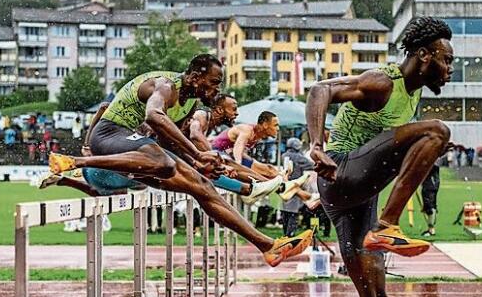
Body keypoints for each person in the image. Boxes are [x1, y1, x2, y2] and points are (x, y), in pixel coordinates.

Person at [305, 16, 454, 297]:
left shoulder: (412, 95)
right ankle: (388, 226)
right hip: (341, 174)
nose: (449, 69)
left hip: (356, 198)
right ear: (423, 55)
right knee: (436, 132)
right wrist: (315, 145)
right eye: (446, 60)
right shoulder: (383, 83)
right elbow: (321, 89)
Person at [48, 54, 312, 267]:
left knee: (202, 186)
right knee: (165, 164)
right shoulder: (166, 86)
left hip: (139, 149)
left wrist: (199, 164)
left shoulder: (191, 105)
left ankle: (267, 246)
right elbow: (154, 116)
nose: (216, 89)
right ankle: (77, 162)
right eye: (213, 82)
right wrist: (197, 154)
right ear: (195, 77)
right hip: (108, 135)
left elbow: (168, 142)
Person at [186, 94, 283, 203]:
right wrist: (214, 157)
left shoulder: (210, 123)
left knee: (233, 164)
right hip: (183, 163)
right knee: (228, 164)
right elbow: (195, 135)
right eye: (233, 109)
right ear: (219, 110)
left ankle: (267, 185)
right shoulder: (202, 115)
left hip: (194, 162)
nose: (237, 113)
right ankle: (264, 187)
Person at [212, 111, 283, 179]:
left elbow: (242, 152)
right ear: (265, 125)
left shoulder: (258, 135)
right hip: (216, 151)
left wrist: (255, 163)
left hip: (230, 154)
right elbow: (238, 147)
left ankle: (283, 179)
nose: (278, 129)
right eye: (275, 125)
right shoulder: (247, 130)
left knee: (269, 170)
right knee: (251, 173)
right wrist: (238, 166)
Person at [280, 137, 314, 237]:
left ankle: (285, 235)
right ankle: (290, 235)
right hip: (295, 186)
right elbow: (311, 165)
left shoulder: (284, 155)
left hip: (285, 185)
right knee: (293, 213)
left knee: (285, 213)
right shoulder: (298, 157)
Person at [420, 159, 441, 237]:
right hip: (431, 185)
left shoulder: (432, 163)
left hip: (430, 186)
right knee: (430, 206)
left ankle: (431, 229)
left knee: (430, 207)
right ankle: (430, 228)